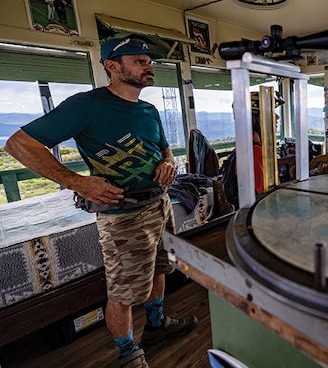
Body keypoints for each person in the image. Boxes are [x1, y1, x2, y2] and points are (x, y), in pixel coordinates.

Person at [5, 36, 198, 368]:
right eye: (139, 61)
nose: (149, 66)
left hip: (159, 204)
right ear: (112, 66)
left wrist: (168, 162)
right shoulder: (87, 105)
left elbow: (164, 149)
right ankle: (128, 352)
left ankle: (156, 326)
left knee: (160, 269)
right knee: (123, 293)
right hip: (122, 215)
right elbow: (19, 144)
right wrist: (76, 181)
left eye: (149, 62)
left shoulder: (149, 110)